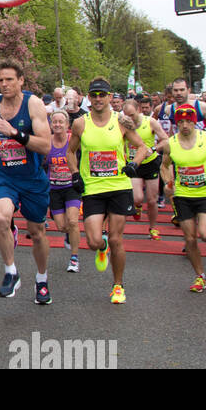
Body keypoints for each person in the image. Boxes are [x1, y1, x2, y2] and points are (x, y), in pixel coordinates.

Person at [69, 78, 148, 305]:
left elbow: (142, 146)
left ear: (110, 97)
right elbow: (70, 152)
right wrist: (75, 174)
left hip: (118, 187)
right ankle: (101, 248)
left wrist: (134, 164)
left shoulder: (121, 121)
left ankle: (118, 286)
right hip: (93, 187)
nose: (98, 99)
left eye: (102, 95)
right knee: (94, 241)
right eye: (94, 95)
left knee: (116, 239)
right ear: (88, 98)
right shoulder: (80, 124)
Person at [0, 60, 54, 303]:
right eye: (1, 80)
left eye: (9, 79)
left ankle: (42, 279)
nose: (4, 84)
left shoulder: (33, 104)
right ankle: (10, 272)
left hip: (32, 178)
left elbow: (45, 146)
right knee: (2, 218)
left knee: (37, 232)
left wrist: (15, 133)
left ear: (21, 80)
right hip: (6, 176)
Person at [159, 105, 206, 293]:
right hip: (183, 195)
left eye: (188, 122)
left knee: (205, 234)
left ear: (194, 122)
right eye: (180, 122)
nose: (184, 126)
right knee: (189, 239)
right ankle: (200, 277)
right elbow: (164, 166)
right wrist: (168, 183)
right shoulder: (170, 143)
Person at [120, 97, 167, 240]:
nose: (129, 119)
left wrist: (153, 149)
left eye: (132, 115)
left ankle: (152, 227)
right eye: (126, 116)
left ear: (139, 110)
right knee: (137, 197)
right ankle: (138, 205)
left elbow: (165, 139)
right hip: (134, 164)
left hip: (150, 163)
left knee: (152, 200)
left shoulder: (150, 122)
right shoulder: (123, 124)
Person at [46, 110, 82, 272]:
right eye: (55, 122)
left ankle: (74, 258)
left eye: (61, 122)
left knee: (73, 222)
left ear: (68, 125)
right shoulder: (47, 142)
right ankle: (68, 235)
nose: (58, 125)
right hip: (54, 188)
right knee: (62, 226)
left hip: (71, 187)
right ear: (51, 124)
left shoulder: (72, 140)